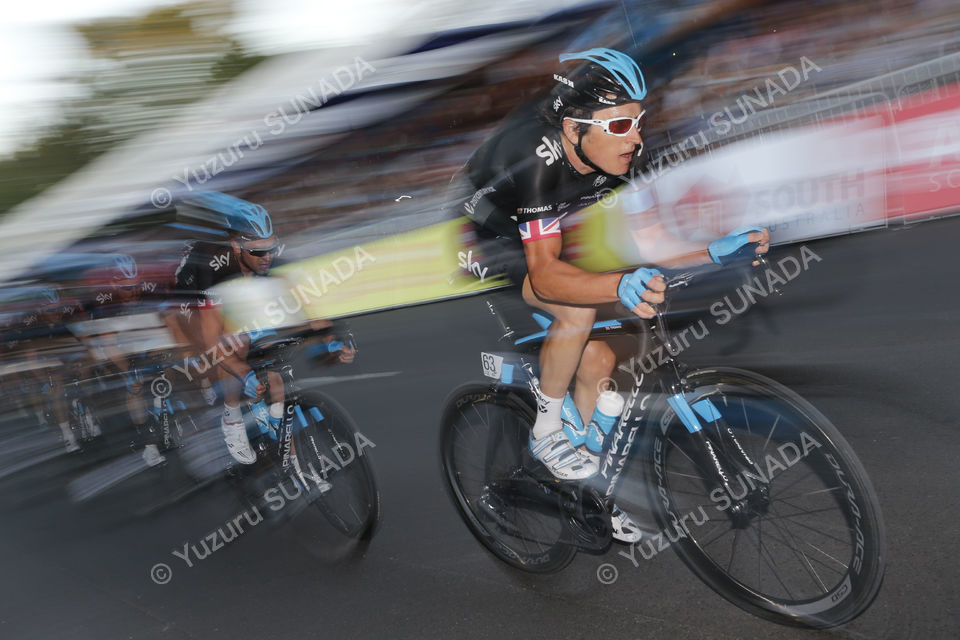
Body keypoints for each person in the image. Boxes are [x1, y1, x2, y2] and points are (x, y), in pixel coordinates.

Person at [455, 48, 770, 542]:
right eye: (619, 126)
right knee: (577, 312)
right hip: (487, 235)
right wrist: (616, 284)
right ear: (573, 128)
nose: (636, 137)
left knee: (603, 360)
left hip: (542, 229)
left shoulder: (625, 155)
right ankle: (545, 432)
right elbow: (544, 278)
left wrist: (712, 252)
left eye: (637, 121)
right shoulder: (537, 159)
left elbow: (652, 243)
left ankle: (587, 494)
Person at [168, 191, 353, 478]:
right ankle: (230, 417)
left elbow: (302, 304)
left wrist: (331, 339)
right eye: (258, 251)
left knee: (272, 366)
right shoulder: (210, 265)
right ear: (236, 246)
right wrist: (243, 373)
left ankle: (289, 460)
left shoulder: (265, 259)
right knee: (233, 343)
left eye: (271, 248)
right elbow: (209, 339)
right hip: (186, 302)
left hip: (233, 289)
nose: (267, 257)